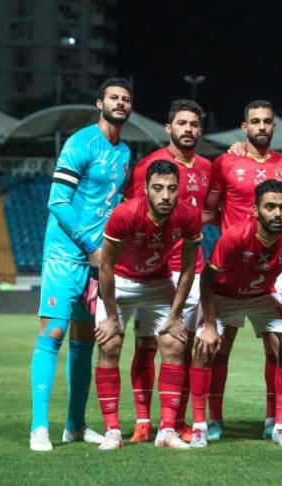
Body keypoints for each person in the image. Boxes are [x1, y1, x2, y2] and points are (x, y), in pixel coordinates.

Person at [30, 77, 133, 452]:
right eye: (113, 98)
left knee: (85, 343)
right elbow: (57, 202)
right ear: (99, 103)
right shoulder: (80, 143)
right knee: (52, 335)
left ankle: (74, 425)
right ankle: (39, 427)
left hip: (97, 261)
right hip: (65, 255)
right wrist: (90, 246)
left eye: (125, 99)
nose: (120, 103)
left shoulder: (125, 153)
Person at [190, 180, 282, 448]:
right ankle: (201, 426)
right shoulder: (236, 235)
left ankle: (280, 427)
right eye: (270, 207)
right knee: (204, 349)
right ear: (255, 211)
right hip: (223, 296)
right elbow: (206, 281)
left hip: (260, 297)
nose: (277, 213)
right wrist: (209, 325)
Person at [93, 160, 203, 450]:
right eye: (158, 188)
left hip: (158, 282)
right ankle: (112, 431)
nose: (165, 195)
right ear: (145, 189)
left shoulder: (188, 215)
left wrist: (176, 315)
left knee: (175, 344)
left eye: (171, 189)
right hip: (120, 282)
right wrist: (111, 317)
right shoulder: (125, 213)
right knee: (109, 345)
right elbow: (106, 267)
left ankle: (166, 430)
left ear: (179, 190)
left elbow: (188, 269)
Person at [202, 100, 282, 441]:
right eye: (255, 121)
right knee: (219, 346)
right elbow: (209, 211)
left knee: (278, 346)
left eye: (267, 121)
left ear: (274, 127)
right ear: (244, 127)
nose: (261, 126)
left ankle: (273, 420)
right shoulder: (226, 162)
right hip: (232, 264)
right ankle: (215, 420)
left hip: (273, 267)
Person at [122, 99, 211, 443]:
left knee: (181, 349)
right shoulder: (148, 166)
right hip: (155, 271)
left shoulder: (207, 167)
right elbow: (135, 213)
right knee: (146, 344)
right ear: (168, 127)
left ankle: (174, 421)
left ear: (201, 130)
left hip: (192, 270)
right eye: (182, 123)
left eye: (194, 124)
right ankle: (143, 421)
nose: (188, 129)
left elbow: (210, 210)